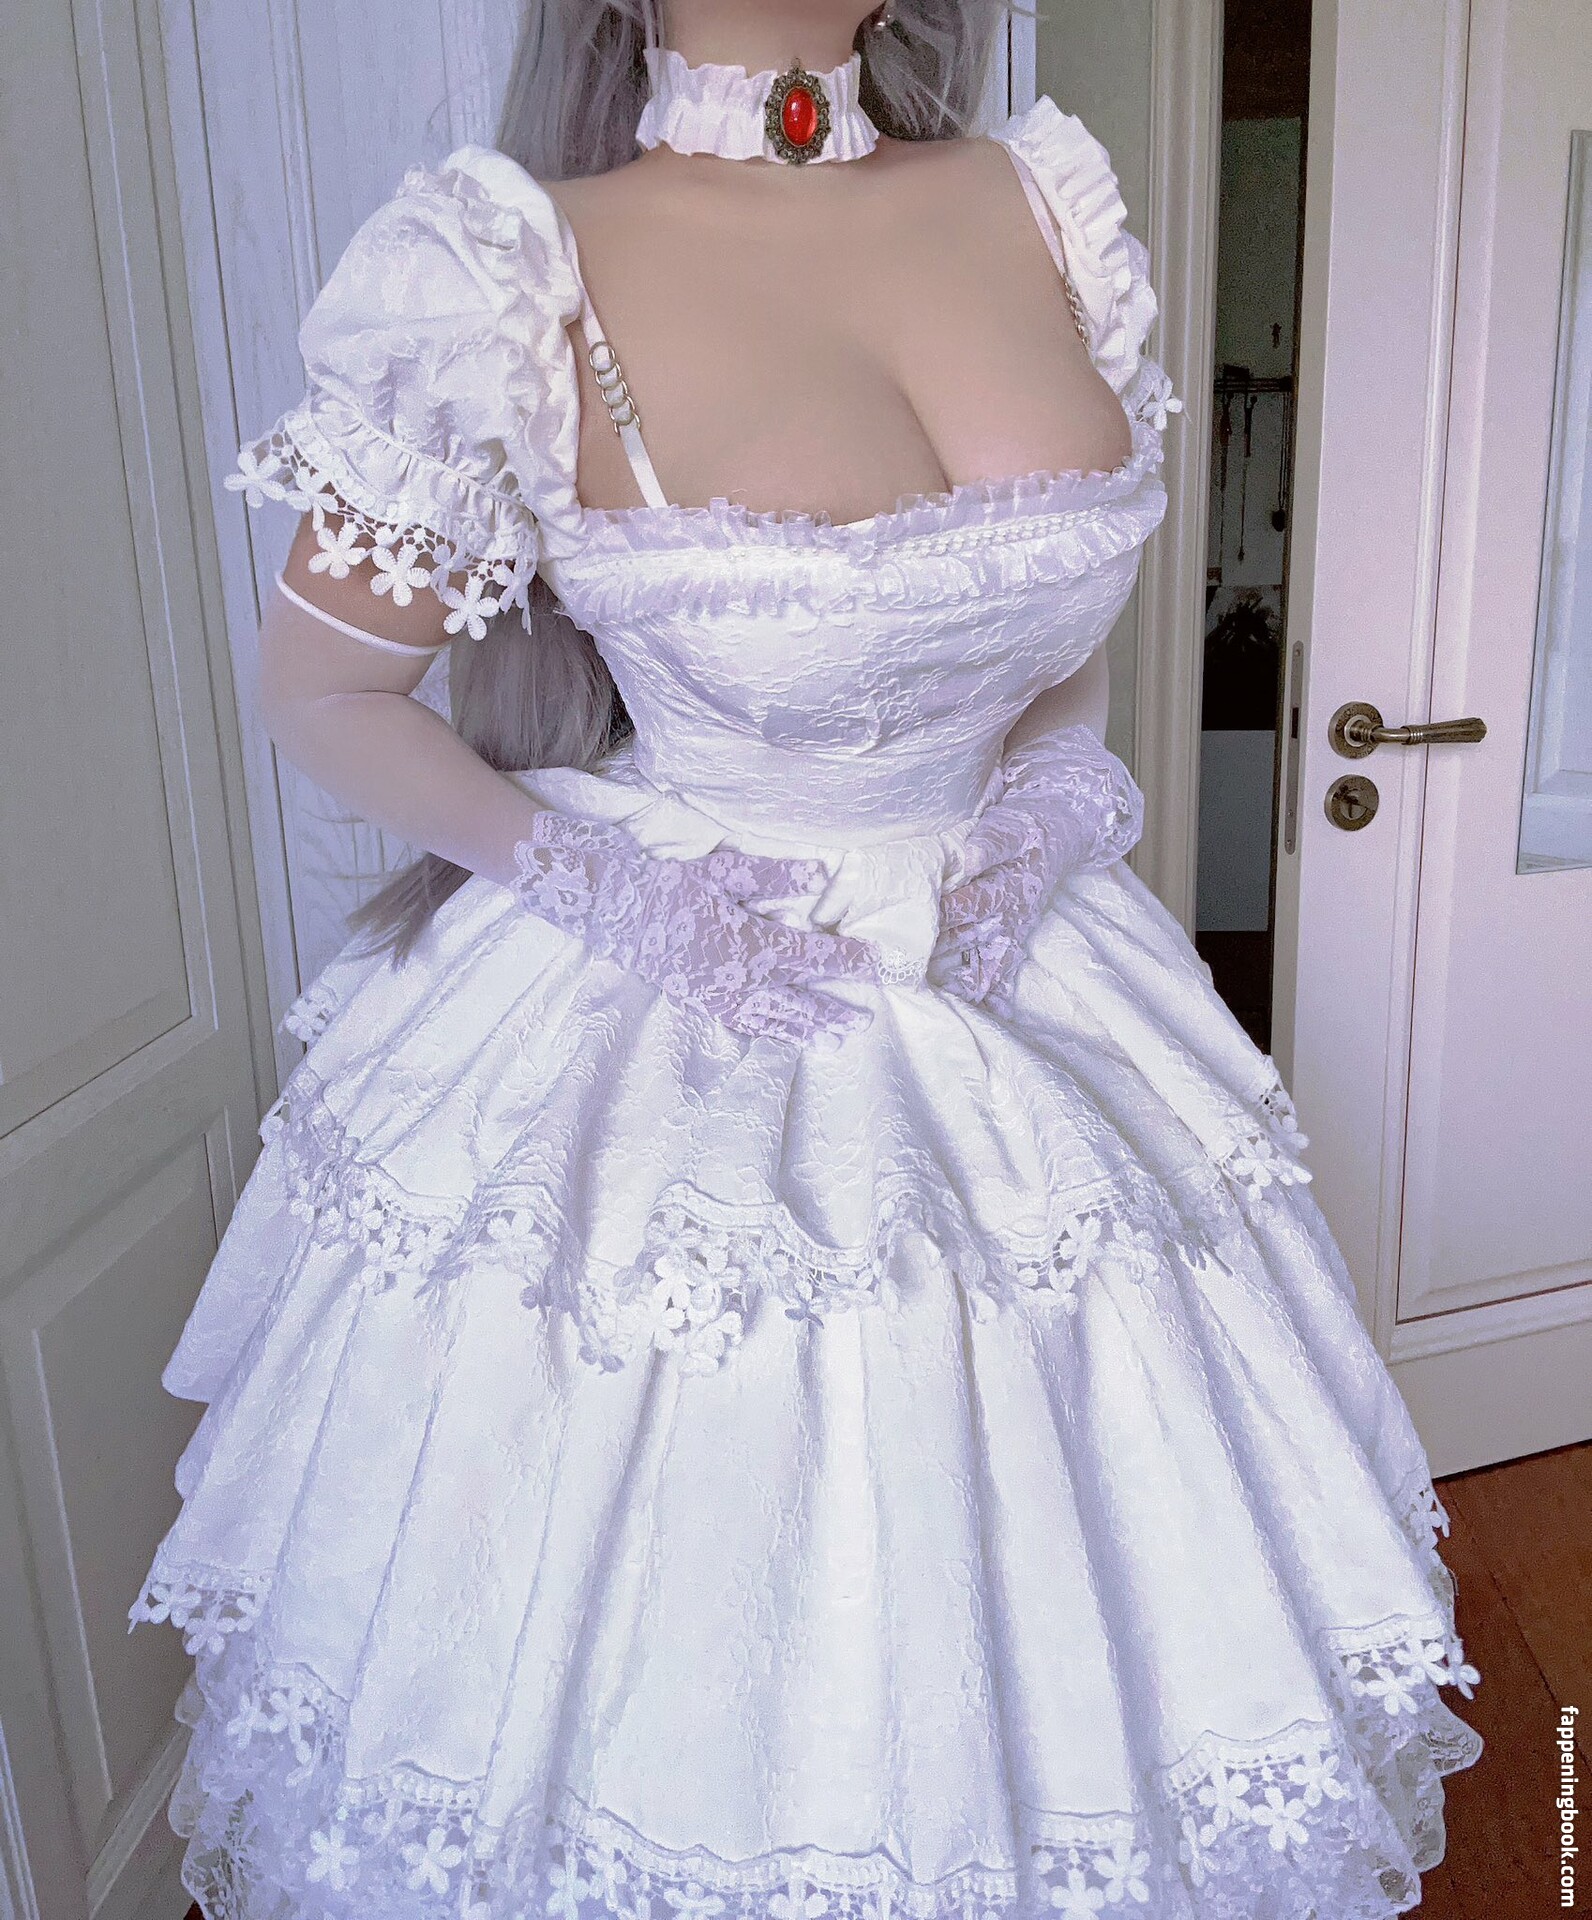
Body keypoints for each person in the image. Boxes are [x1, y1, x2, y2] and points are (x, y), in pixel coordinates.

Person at [130, 4, 1482, 1916]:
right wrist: (608, 892)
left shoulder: (1043, 201)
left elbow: (1052, 632)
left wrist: (1044, 806)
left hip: (1033, 982)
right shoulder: (507, 269)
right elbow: (324, 690)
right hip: (684, 995)